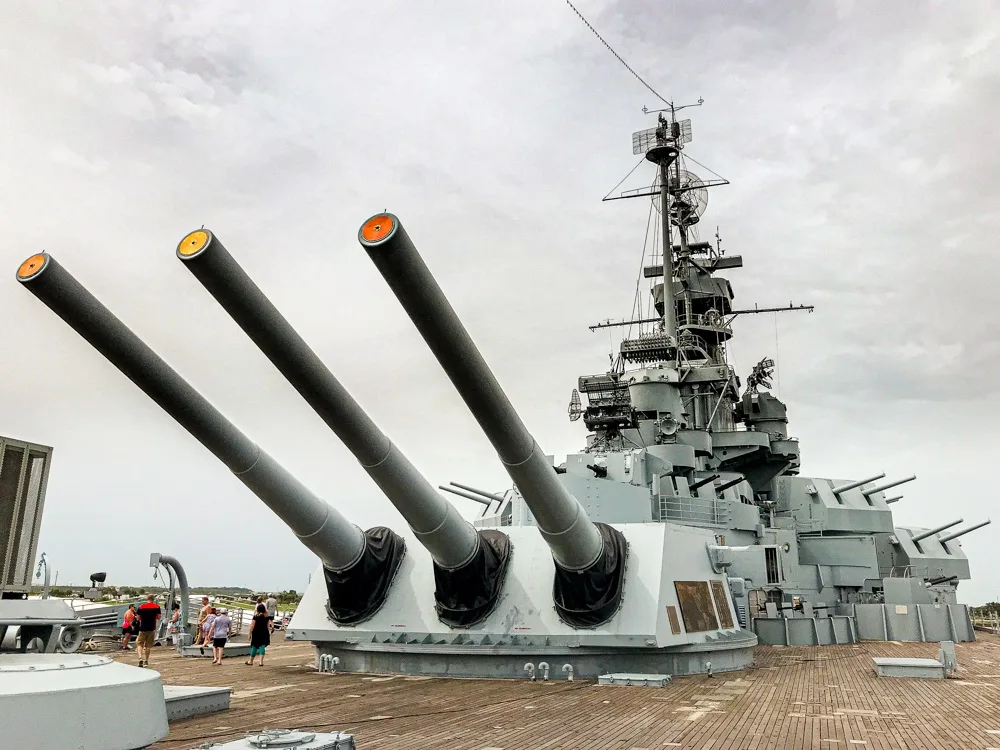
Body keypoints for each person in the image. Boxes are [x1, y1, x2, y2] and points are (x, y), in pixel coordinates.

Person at [135, 594, 161, 668]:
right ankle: (146, 661)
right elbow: (159, 617)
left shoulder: (141, 607)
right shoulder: (157, 607)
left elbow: (138, 618)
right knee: (148, 646)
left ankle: (140, 658)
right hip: (151, 628)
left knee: (139, 644)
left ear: (147, 598)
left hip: (142, 628)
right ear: (153, 599)